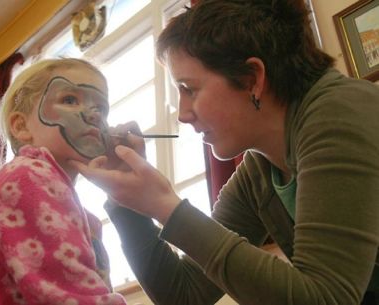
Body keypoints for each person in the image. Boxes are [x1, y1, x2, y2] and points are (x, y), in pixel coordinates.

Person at [71, 0, 379, 304]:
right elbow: (182, 294)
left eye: (189, 89)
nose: (182, 114)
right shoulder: (259, 170)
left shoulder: (340, 112)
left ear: (251, 79)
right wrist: (128, 201)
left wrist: (166, 206)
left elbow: (325, 298)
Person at [0, 58, 126, 305]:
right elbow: (69, 297)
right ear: (21, 126)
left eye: (102, 109)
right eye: (70, 99)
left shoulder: (86, 220)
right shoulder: (26, 178)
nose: (93, 115)